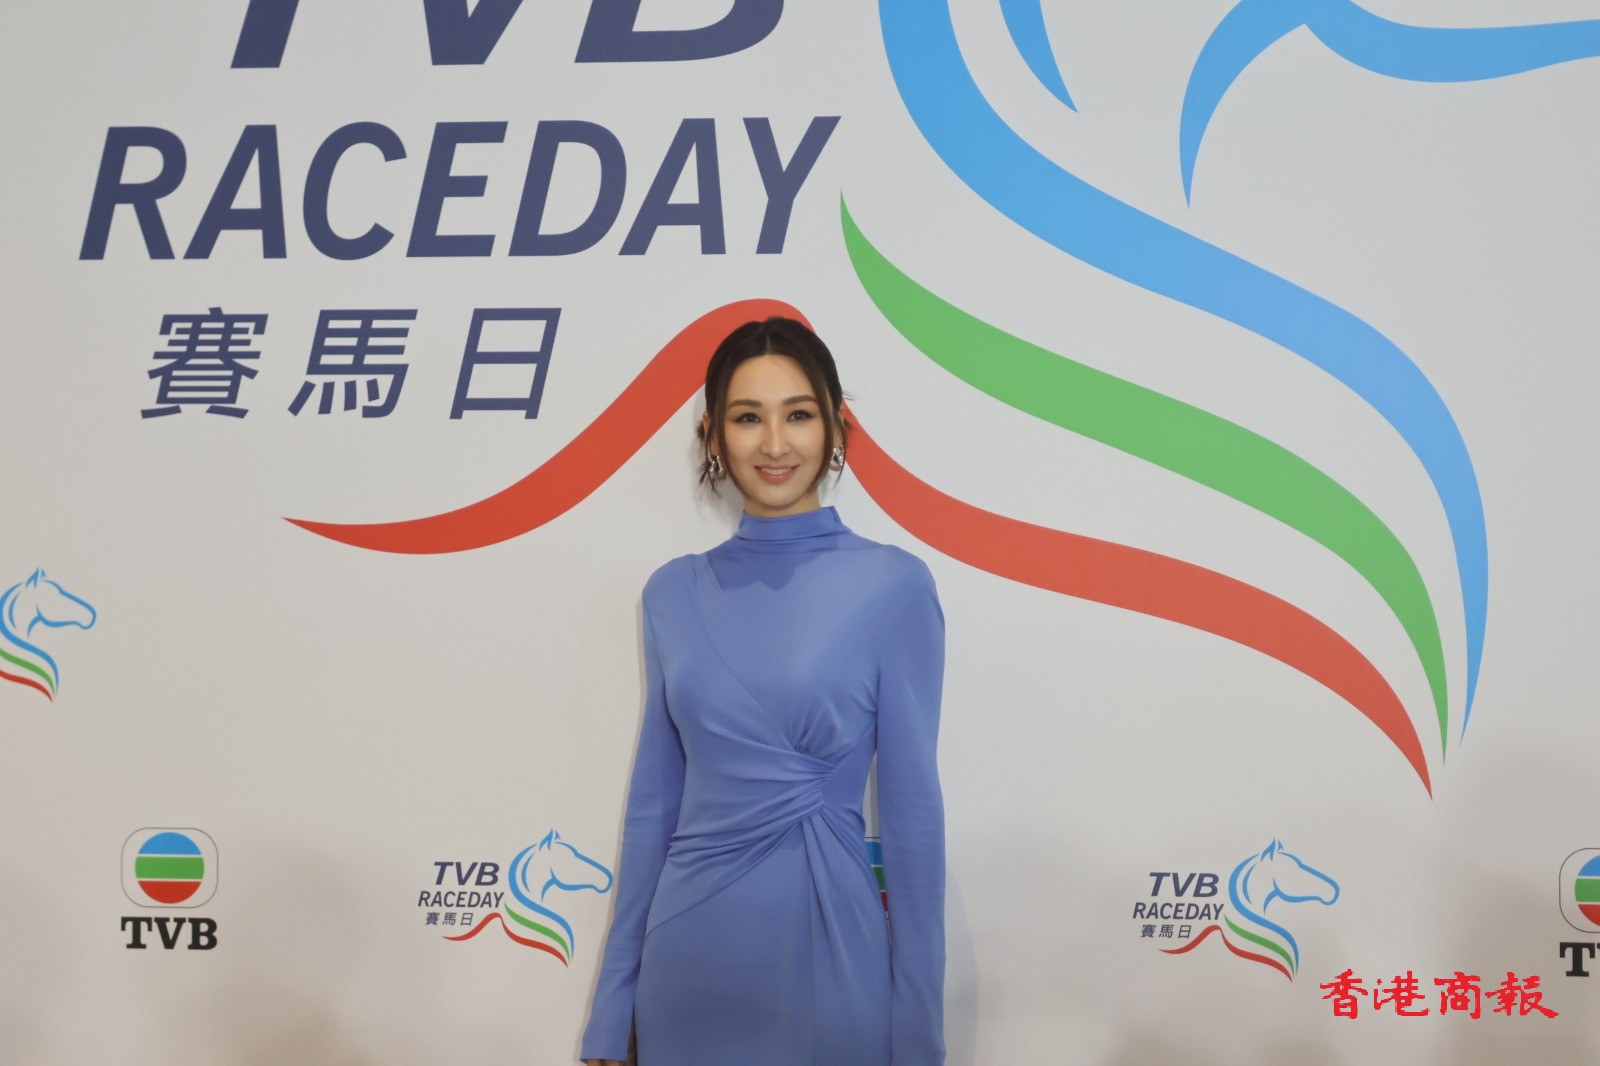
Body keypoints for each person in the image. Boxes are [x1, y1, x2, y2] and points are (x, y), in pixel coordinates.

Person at [579, 316, 946, 1066]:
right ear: (712, 434)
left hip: (830, 952)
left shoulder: (895, 586)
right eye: (748, 418)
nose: (775, 444)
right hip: (688, 963)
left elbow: (913, 824)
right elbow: (654, 809)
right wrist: (612, 1009)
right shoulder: (672, 593)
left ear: (835, 425)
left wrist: (919, 1038)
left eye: (798, 415)